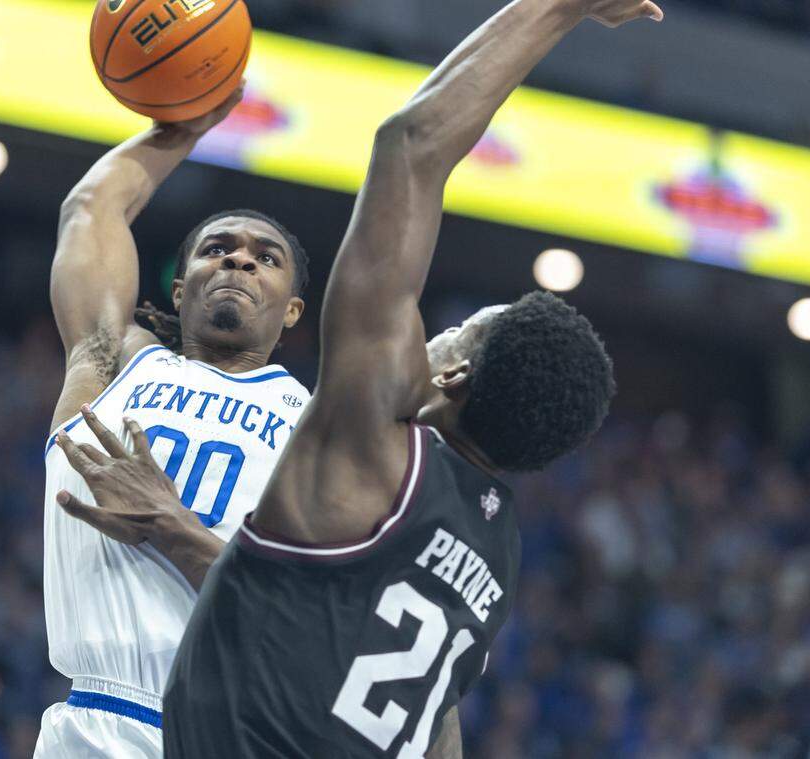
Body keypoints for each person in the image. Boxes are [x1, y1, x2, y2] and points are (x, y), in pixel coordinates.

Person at [157, 0, 656, 754]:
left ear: (452, 374)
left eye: (459, 328)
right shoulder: (497, 551)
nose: (438, 331)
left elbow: (410, 145)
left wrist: (559, 8)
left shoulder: (373, 443)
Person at [34, 84, 314, 758]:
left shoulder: (319, 430)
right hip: (89, 722)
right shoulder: (110, 362)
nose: (240, 258)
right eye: (217, 247)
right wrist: (183, 128)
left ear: (294, 311)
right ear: (181, 288)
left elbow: (309, 625)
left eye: (265, 257)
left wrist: (176, 527)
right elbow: (91, 208)